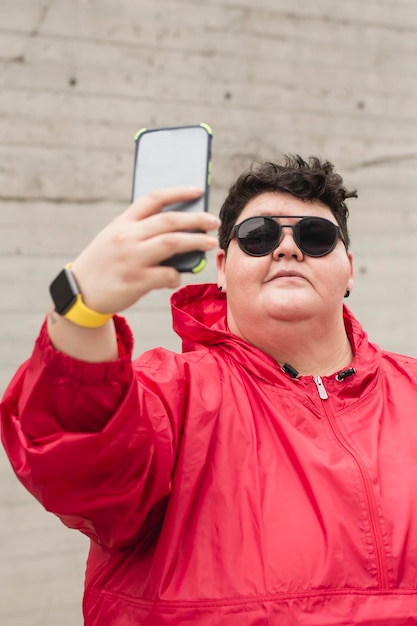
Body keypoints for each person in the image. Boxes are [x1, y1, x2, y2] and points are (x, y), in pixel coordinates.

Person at [2, 155, 417, 626]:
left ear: (350, 269)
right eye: (258, 236)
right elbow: (77, 456)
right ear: (221, 268)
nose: (287, 249)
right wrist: (80, 308)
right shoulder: (169, 394)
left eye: (315, 237)